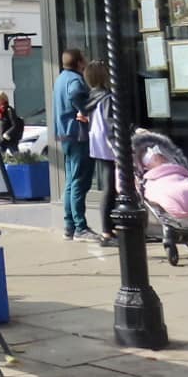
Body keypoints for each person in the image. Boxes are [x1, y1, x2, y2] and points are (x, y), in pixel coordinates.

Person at [54, 48, 96, 241]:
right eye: (84, 59)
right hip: (77, 134)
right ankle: (80, 226)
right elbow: (75, 95)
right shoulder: (75, 80)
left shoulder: (61, 78)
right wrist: (85, 109)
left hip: (65, 135)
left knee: (71, 181)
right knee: (79, 181)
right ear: (79, 62)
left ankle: (70, 225)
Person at [83, 61, 120, 247]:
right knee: (110, 188)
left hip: (98, 145)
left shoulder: (93, 96)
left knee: (109, 187)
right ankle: (107, 231)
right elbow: (111, 123)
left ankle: (110, 229)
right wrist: (119, 147)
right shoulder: (107, 97)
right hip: (108, 146)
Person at [0, 91, 25, 155]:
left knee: (16, 155)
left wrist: (7, 134)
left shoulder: (9, 110)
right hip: (2, 140)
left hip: (10, 139)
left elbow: (15, 125)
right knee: (0, 156)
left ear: (3, 100)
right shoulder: (1, 111)